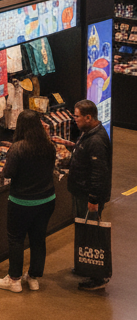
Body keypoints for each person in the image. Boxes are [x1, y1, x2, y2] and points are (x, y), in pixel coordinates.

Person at [0, 109, 57, 293]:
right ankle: (34, 277)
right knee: (38, 239)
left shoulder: (18, 148)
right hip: (46, 200)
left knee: (16, 239)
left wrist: (3, 172)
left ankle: (14, 280)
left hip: (22, 202)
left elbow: (9, 173)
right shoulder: (49, 146)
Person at [57, 99, 112, 291]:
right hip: (81, 192)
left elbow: (99, 172)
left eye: (77, 116)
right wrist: (69, 145)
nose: (75, 120)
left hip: (88, 196)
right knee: (84, 233)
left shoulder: (96, 140)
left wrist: (93, 200)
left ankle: (98, 277)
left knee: (92, 236)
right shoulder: (88, 134)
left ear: (89, 117)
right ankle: (86, 266)